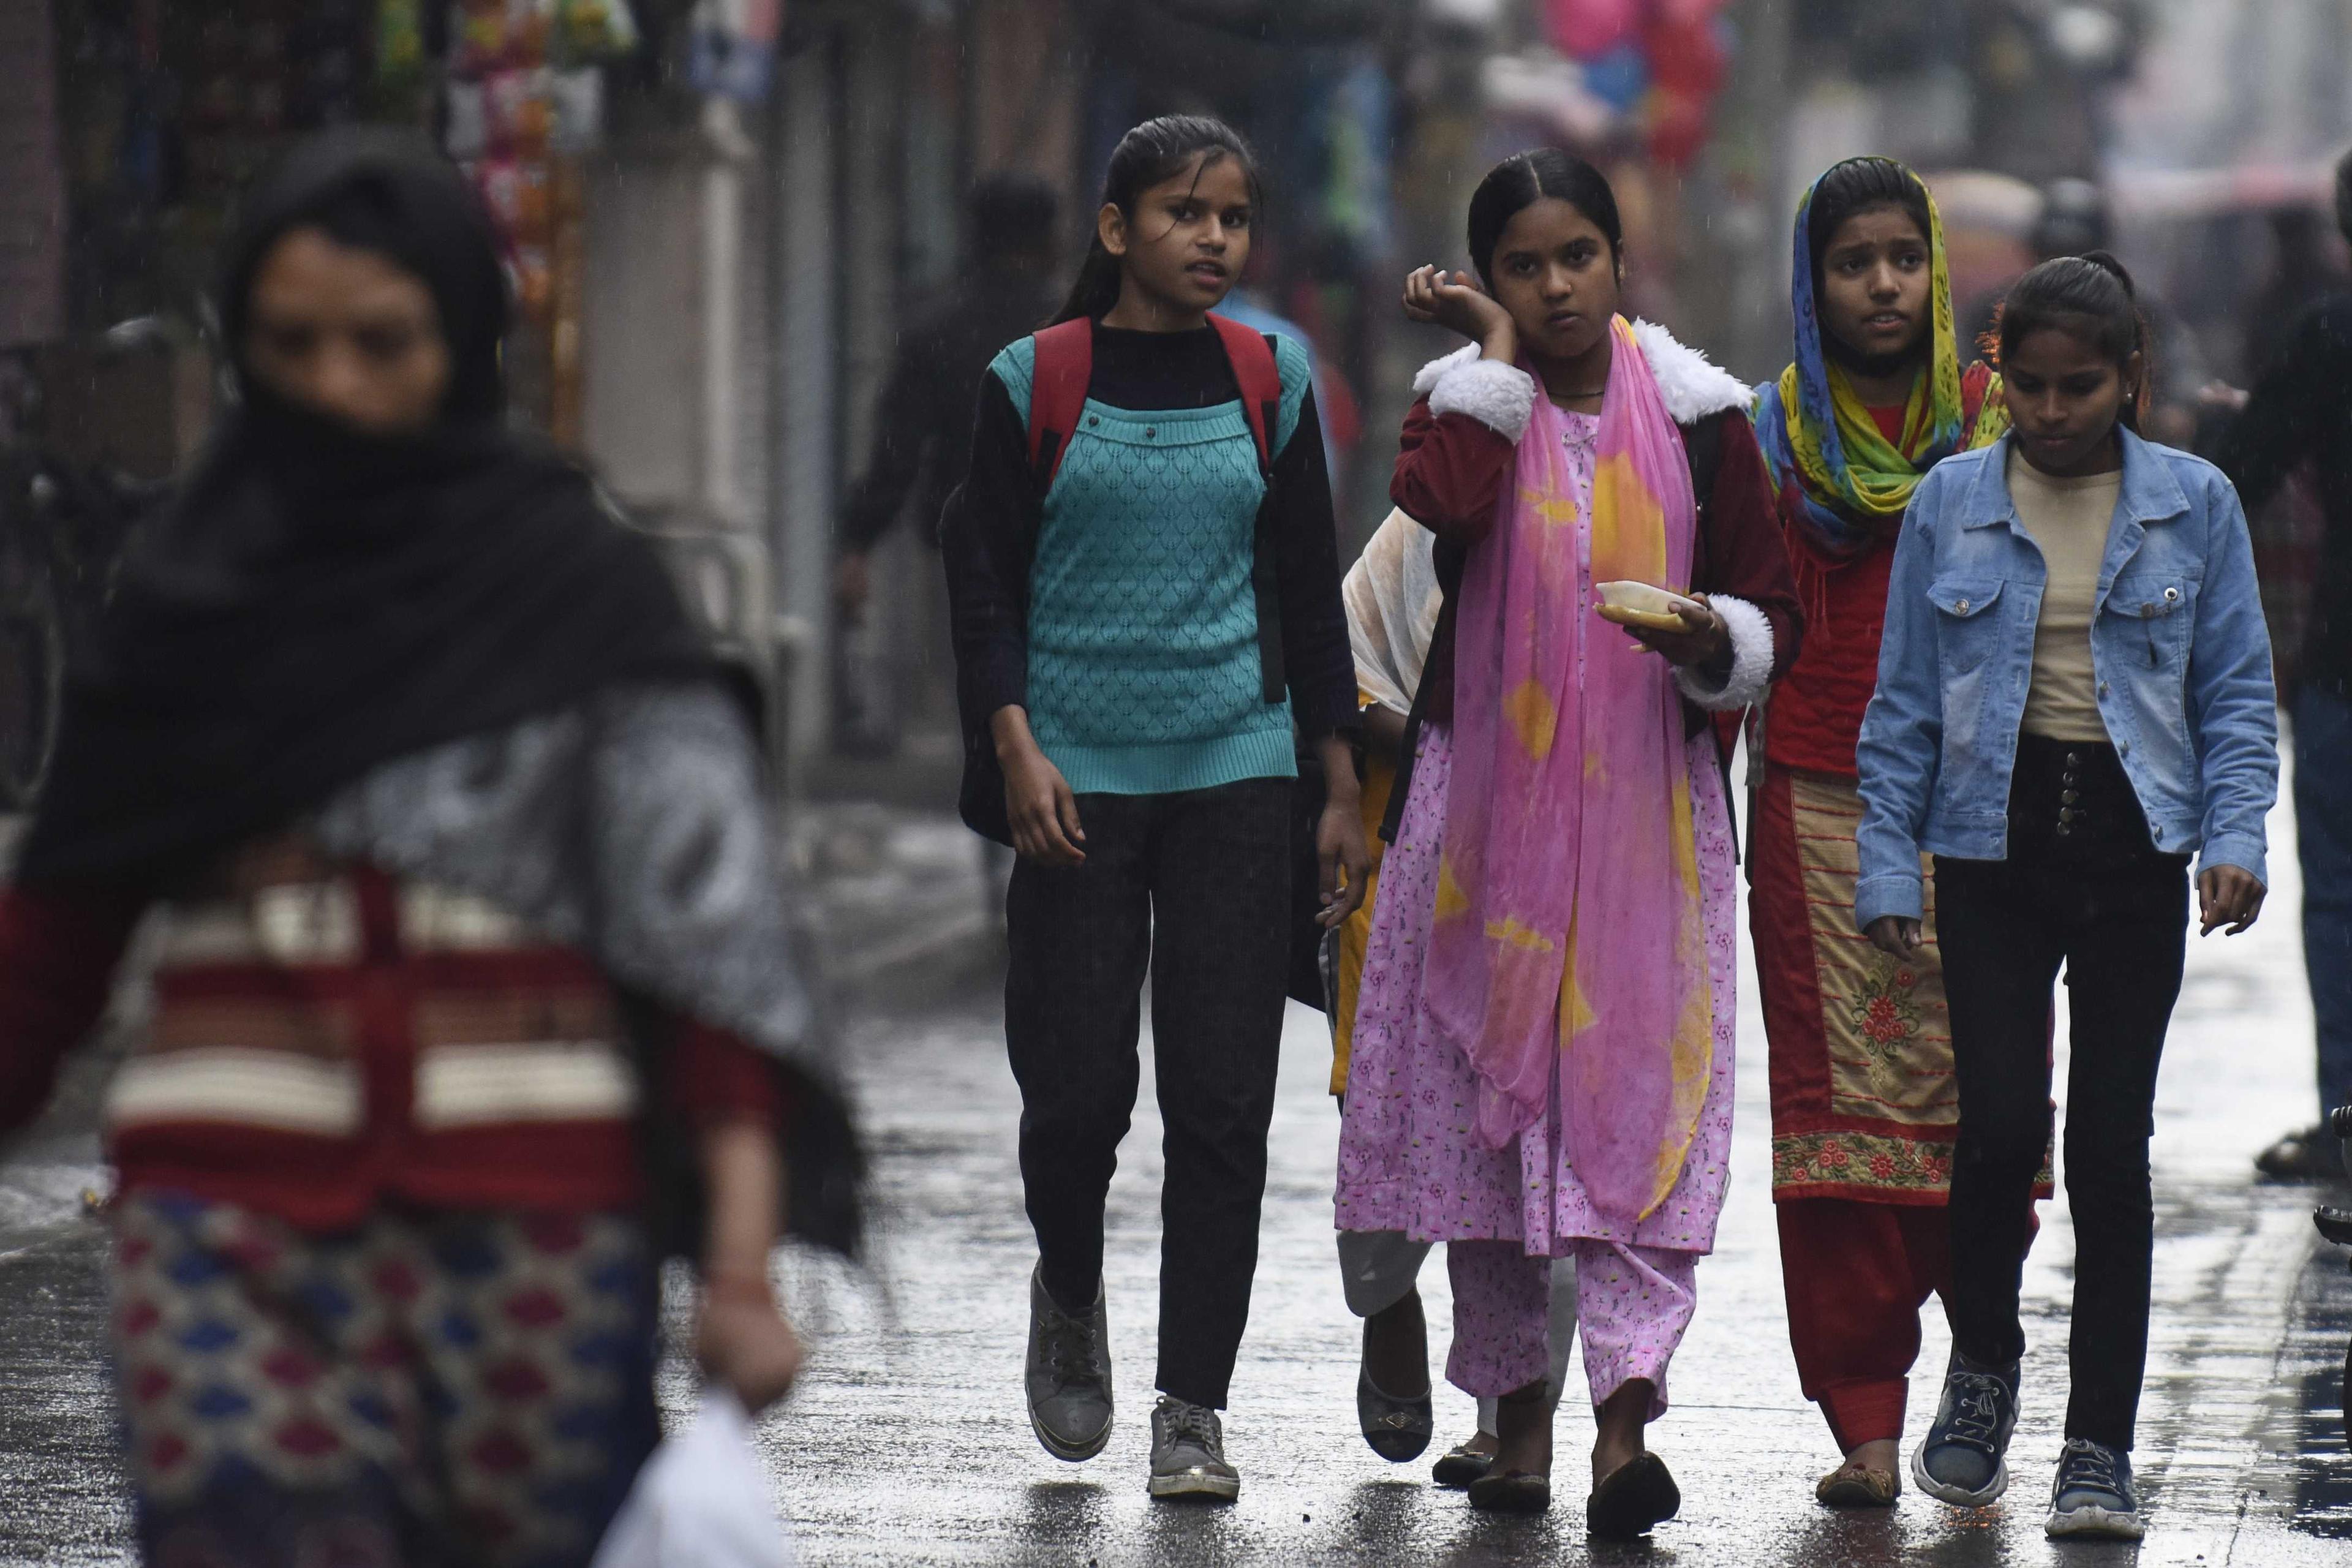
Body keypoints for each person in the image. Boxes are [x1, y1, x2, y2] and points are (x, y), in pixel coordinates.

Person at [0, 129, 861, 1567]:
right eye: (291, 343)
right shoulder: (188, 597)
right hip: (224, 1233)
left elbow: (702, 959)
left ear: (460, 342)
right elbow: (51, 950)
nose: (335, 382)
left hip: (536, 1245)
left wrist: (736, 1264)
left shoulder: (583, 592)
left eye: (380, 342)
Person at [1333, 148, 1800, 1539]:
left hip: (1645, 833)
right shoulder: (1464, 414)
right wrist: (1482, 361)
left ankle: (1621, 1424)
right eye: (1521, 268)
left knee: (1637, 1125)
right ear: (1493, 279)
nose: (1553, 288)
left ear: (1616, 258)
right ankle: (1518, 1423)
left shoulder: (1704, 419)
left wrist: (1713, 638)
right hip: (1476, 828)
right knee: (1492, 1135)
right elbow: (1442, 508)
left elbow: (1765, 611)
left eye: (1574, 258)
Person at [938, 114, 1368, 1504]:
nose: (1212, 240)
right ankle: (1069, 1286)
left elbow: (1310, 591)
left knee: (1223, 1102)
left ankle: (1194, 1403)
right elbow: (981, 578)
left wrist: (1338, 781)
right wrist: (1011, 742)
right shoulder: (1033, 379)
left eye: (1233, 219)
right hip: (1070, 784)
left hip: (1236, 776)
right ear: (1115, 228)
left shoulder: (1270, 378)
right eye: (1184, 214)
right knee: (1073, 1097)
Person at [1857, 252, 2277, 1541]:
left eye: (2079, 385)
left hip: (2134, 851)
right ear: (2002, 379)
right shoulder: (1951, 503)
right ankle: (1983, 1367)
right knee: (1993, 1129)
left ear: (2129, 377)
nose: (2051, 409)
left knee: (2109, 1151)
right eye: (2029, 385)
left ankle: (2099, 1445)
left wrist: (2235, 832)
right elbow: (1906, 706)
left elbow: (2234, 693)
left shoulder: (2196, 505)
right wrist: (1887, 863)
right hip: (1992, 848)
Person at [1746, 156, 2015, 1509]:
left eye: (1903, 258)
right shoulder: (1771, 434)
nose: (1883, 285)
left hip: (1984, 804)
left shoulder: (1999, 420)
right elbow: (1739, 616)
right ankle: (1860, 1416)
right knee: (1836, 1114)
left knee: (1988, 1104)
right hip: (1814, 795)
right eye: (1852, 262)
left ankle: (1983, 1372)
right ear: (1814, 282)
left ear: (1936, 269)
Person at [1331, 507, 1580, 1487]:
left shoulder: (1596, 518)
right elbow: (1341, 675)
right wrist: (1456, 734)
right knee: (1380, 1109)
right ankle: (1386, 1304)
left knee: (1528, 1141)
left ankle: (1509, 1413)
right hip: (1406, 858)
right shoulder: (1414, 535)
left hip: (1544, 870)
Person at [2215, 149, 2352, 1184]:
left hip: (2342, 662)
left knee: (2342, 897)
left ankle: (2347, 1117)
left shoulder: (2329, 336)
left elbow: (2239, 477)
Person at [834, 173, 1061, 611]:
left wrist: (857, 545)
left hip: (963, 552)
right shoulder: (1082, 329)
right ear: (1049, 240)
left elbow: (896, 455)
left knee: (968, 674)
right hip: (1067, 553)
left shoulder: (939, 334)